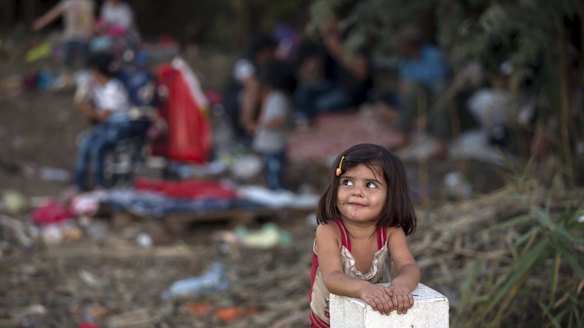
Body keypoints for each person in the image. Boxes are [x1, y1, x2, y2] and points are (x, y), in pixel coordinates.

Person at [309, 143, 420, 327]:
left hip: (371, 315)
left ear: (391, 194)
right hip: (329, 320)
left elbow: (409, 266)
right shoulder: (329, 231)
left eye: (370, 185)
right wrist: (364, 288)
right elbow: (332, 277)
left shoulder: (391, 231)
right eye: (347, 182)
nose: (356, 192)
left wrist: (401, 284)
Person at [293, 16, 372, 125]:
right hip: (333, 85)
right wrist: (310, 66)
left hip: (352, 92)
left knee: (316, 105)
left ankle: (306, 121)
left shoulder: (352, 43)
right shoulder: (323, 46)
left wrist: (337, 51)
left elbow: (362, 74)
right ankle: (303, 120)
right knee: (304, 90)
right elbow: (308, 73)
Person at [388, 26, 451, 158]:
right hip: (419, 92)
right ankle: (404, 136)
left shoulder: (433, 56)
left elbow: (439, 80)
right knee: (410, 93)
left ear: (410, 46)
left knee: (439, 96)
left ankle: (441, 143)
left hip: (436, 92)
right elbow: (405, 81)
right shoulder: (407, 59)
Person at [73, 51, 131, 191]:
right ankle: (78, 184)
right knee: (85, 144)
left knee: (97, 147)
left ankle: (101, 186)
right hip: (104, 128)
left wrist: (84, 107)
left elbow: (104, 116)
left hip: (118, 129)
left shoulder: (114, 89)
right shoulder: (99, 88)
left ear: (97, 71)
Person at [223, 34, 277, 148]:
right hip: (237, 104)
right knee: (252, 92)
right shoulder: (245, 63)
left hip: (258, 104)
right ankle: (247, 125)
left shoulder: (268, 66)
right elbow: (252, 86)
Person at [252, 59, 294, 191]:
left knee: (275, 175)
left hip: (274, 146)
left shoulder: (278, 97)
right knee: (270, 174)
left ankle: (279, 195)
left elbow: (279, 120)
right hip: (270, 146)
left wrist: (262, 124)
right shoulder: (274, 97)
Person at [32, 0, 95, 87]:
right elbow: (54, 13)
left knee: (85, 62)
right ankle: (68, 81)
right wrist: (41, 22)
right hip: (70, 37)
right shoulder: (68, 2)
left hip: (82, 38)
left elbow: (89, 21)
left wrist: (89, 35)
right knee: (67, 61)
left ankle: (87, 82)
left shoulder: (86, 3)